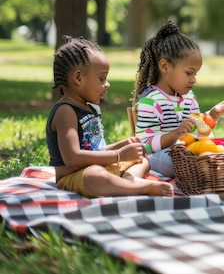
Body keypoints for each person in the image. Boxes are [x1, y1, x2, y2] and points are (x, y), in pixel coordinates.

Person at [46, 36, 174, 198]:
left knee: (143, 160)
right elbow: (73, 158)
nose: (107, 84)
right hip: (74, 176)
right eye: (102, 78)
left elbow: (94, 151)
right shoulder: (65, 111)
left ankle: (128, 180)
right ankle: (138, 189)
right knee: (96, 176)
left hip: (99, 166)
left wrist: (122, 145)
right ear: (78, 78)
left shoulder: (89, 108)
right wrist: (119, 155)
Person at [131, 21, 224, 178]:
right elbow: (145, 145)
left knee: (212, 152)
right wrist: (174, 135)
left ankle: (206, 171)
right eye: (189, 73)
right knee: (188, 161)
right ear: (165, 67)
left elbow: (197, 128)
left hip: (187, 152)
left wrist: (214, 114)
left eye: (195, 74)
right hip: (159, 157)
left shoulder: (189, 97)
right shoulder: (151, 102)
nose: (194, 80)